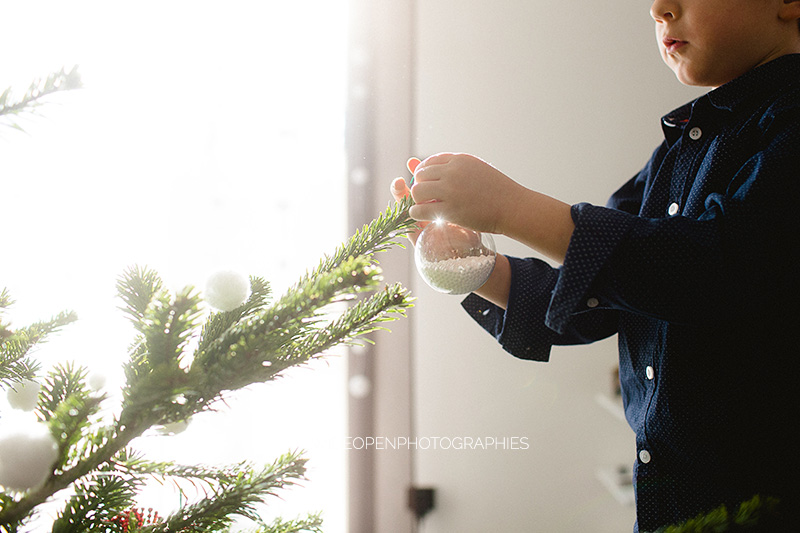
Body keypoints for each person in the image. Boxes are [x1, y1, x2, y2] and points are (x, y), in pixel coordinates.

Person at [390, 0, 800, 530]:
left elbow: (714, 269)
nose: (659, 8)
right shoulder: (680, 150)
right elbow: (596, 295)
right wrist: (476, 265)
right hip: (672, 506)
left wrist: (512, 207)